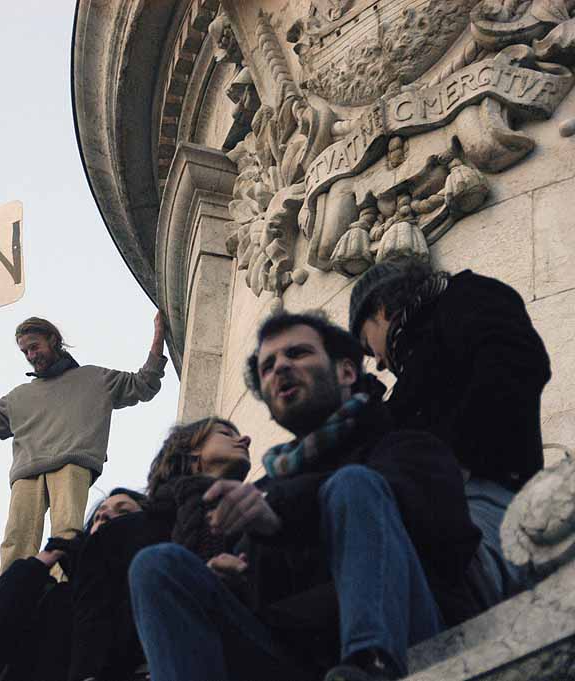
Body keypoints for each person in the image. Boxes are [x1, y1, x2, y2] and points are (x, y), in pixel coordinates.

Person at [128, 312, 481, 681]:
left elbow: (447, 542)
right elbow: (275, 608)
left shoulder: (404, 444)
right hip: (299, 660)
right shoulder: (265, 494)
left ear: (346, 372)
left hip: (411, 641)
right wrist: (234, 585)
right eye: (267, 366)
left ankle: (370, 664)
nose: (280, 366)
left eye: (297, 354)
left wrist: (285, 516)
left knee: (353, 486)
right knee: (156, 567)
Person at [349, 257, 551, 603]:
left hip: (485, 493)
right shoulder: (405, 380)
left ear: (381, 310)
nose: (380, 362)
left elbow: (514, 363)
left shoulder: (464, 296)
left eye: (370, 348)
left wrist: (454, 459)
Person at [0, 314, 167, 574]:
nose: (30, 355)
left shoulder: (94, 379)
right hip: (27, 470)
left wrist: (158, 337)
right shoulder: (20, 397)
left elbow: (144, 383)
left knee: (66, 530)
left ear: (53, 340)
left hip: (72, 461)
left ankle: (64, 587)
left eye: (34, 346)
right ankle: (9, 597)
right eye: (25, 351)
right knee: (16, 539)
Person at [68, 417, 252, 681]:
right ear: (191, 450)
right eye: (226, 433)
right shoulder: (121, 534)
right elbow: (93, 621)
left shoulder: (255, 524)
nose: (245, 439)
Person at [0, 488, 147, 681]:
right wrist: (35, 566)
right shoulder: (48, 595)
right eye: (97, 515)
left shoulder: (148, 596)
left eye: (123, 512)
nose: (104, 515)